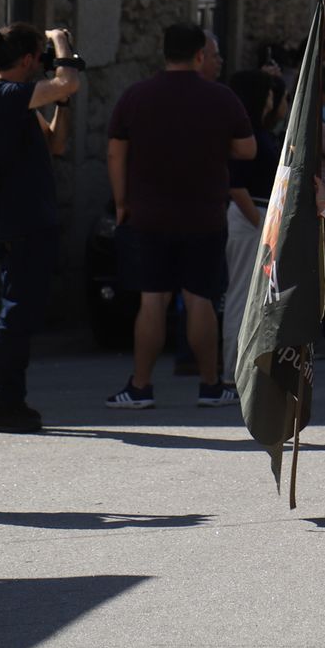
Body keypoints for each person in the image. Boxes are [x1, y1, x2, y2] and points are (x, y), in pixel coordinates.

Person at [105, 23, 255, 410]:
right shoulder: (221, 99)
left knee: (152, 300)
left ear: (165, 53)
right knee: (199, 298)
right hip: (204, 213)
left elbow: (115, 153)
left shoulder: (135, 97)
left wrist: (122, 202)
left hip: (148, 214)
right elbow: (247, 149)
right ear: (200, 55)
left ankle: (140, 387)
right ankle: (209, 385)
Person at [0, 24, 82, 432]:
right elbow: (66, 80)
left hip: (22, 219)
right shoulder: (2, 95)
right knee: (16, 313)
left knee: (21, 311)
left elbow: (55, 142)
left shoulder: (13, 101)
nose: (44, 65)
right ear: (26, 60)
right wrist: (61, 42)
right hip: (19, 221)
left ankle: (7, 400)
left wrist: (64, 102)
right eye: (40, 58)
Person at [221, 69, 282, 386]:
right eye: (269, 93)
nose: (273, 99)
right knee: (241, 295)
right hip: (250, 218)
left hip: (257, 217)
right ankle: (232, 372)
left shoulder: (257, 133)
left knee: (253, 297)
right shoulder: (246, 137)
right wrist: (260, 225)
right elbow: (237, 186)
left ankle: (243, 368)